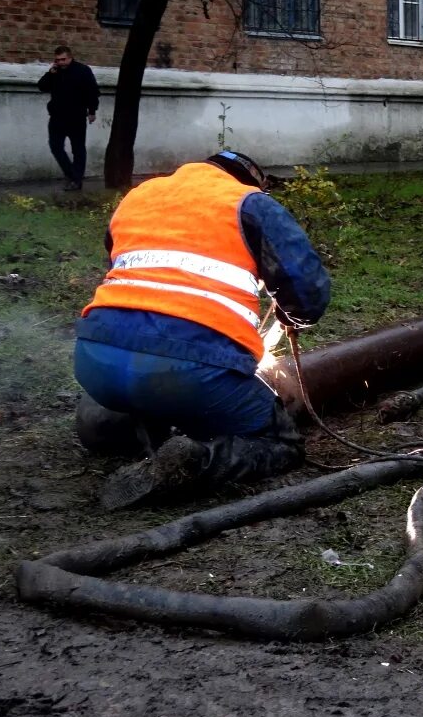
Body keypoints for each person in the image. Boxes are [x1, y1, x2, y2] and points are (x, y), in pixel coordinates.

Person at [73, 150, 331, 509]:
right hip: (189, 371)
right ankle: (193, 462)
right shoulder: (251, 203)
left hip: (95, 359)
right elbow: (308, 291)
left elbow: (124, 271)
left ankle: (108, 425)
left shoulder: (140, 195)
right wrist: (292, 317)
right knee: (281, 443)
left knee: (134, 396)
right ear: (249, 180)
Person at [37, 45, 100, 191]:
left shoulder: (83, 70)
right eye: (58, 60)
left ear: (70, 57)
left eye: (63, 59)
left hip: (76, 117)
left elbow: (92, 91)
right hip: (57, 117)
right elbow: (42, 87)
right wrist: (50, 73)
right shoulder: (55, 72)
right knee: (55, 146)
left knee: (78, 149)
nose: (61, 62)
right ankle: (72, 175)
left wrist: (92, 111)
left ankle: (76, 180)